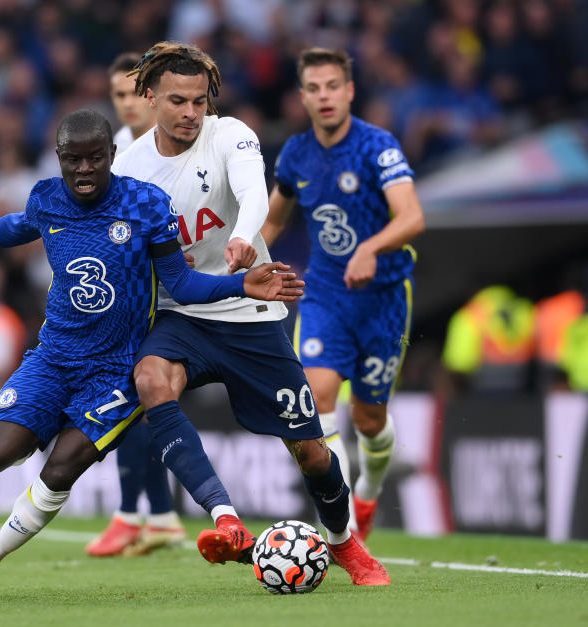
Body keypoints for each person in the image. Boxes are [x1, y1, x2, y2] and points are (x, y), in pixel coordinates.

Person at [0, 109, 304, 599]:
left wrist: (242, 284)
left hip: (116, 371)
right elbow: (17, 226)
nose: (85, 169)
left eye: (95, 158)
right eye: (74, 160)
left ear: (112, 156)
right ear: (59, 159)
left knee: (60, 468)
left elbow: (180, 283)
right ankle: (48, 442)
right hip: (53, 358)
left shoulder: (146, 205)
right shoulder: (46, 198)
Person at [113, 41, 389, 585]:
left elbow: (254, 194)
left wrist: (243, 238)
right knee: (151, 380)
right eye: (177, 101)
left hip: (250, 310)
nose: (191, 112)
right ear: (149, 98)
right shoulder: (130, 167)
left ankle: (343, 544)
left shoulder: (231, 133)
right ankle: (226, 519)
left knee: (310, 452)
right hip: (181, 314)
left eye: (199, 100)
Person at [262, 47, 426, 543]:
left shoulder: (378, 147)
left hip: (384, 299)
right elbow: (273, 219)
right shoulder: (296, 154)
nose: (324, 96)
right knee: (317, 400)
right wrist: (243, 257)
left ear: (349, 90)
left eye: (333, 85)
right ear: (303, 97)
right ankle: (345, 529)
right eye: (314, 88)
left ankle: (370, 488)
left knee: (370, 419)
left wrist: (371, 248)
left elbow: (413, 217)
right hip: (326, 295)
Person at [85, 52, 184, 558]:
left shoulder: (173, 150)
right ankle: (157, 515)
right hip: (134, 298)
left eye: (132, 94)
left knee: (139, 403)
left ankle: (136, 514)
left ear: (151, 96)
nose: (126, 104)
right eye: (117, 95)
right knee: (137, 405)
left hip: (173, 299)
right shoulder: (118, 151)